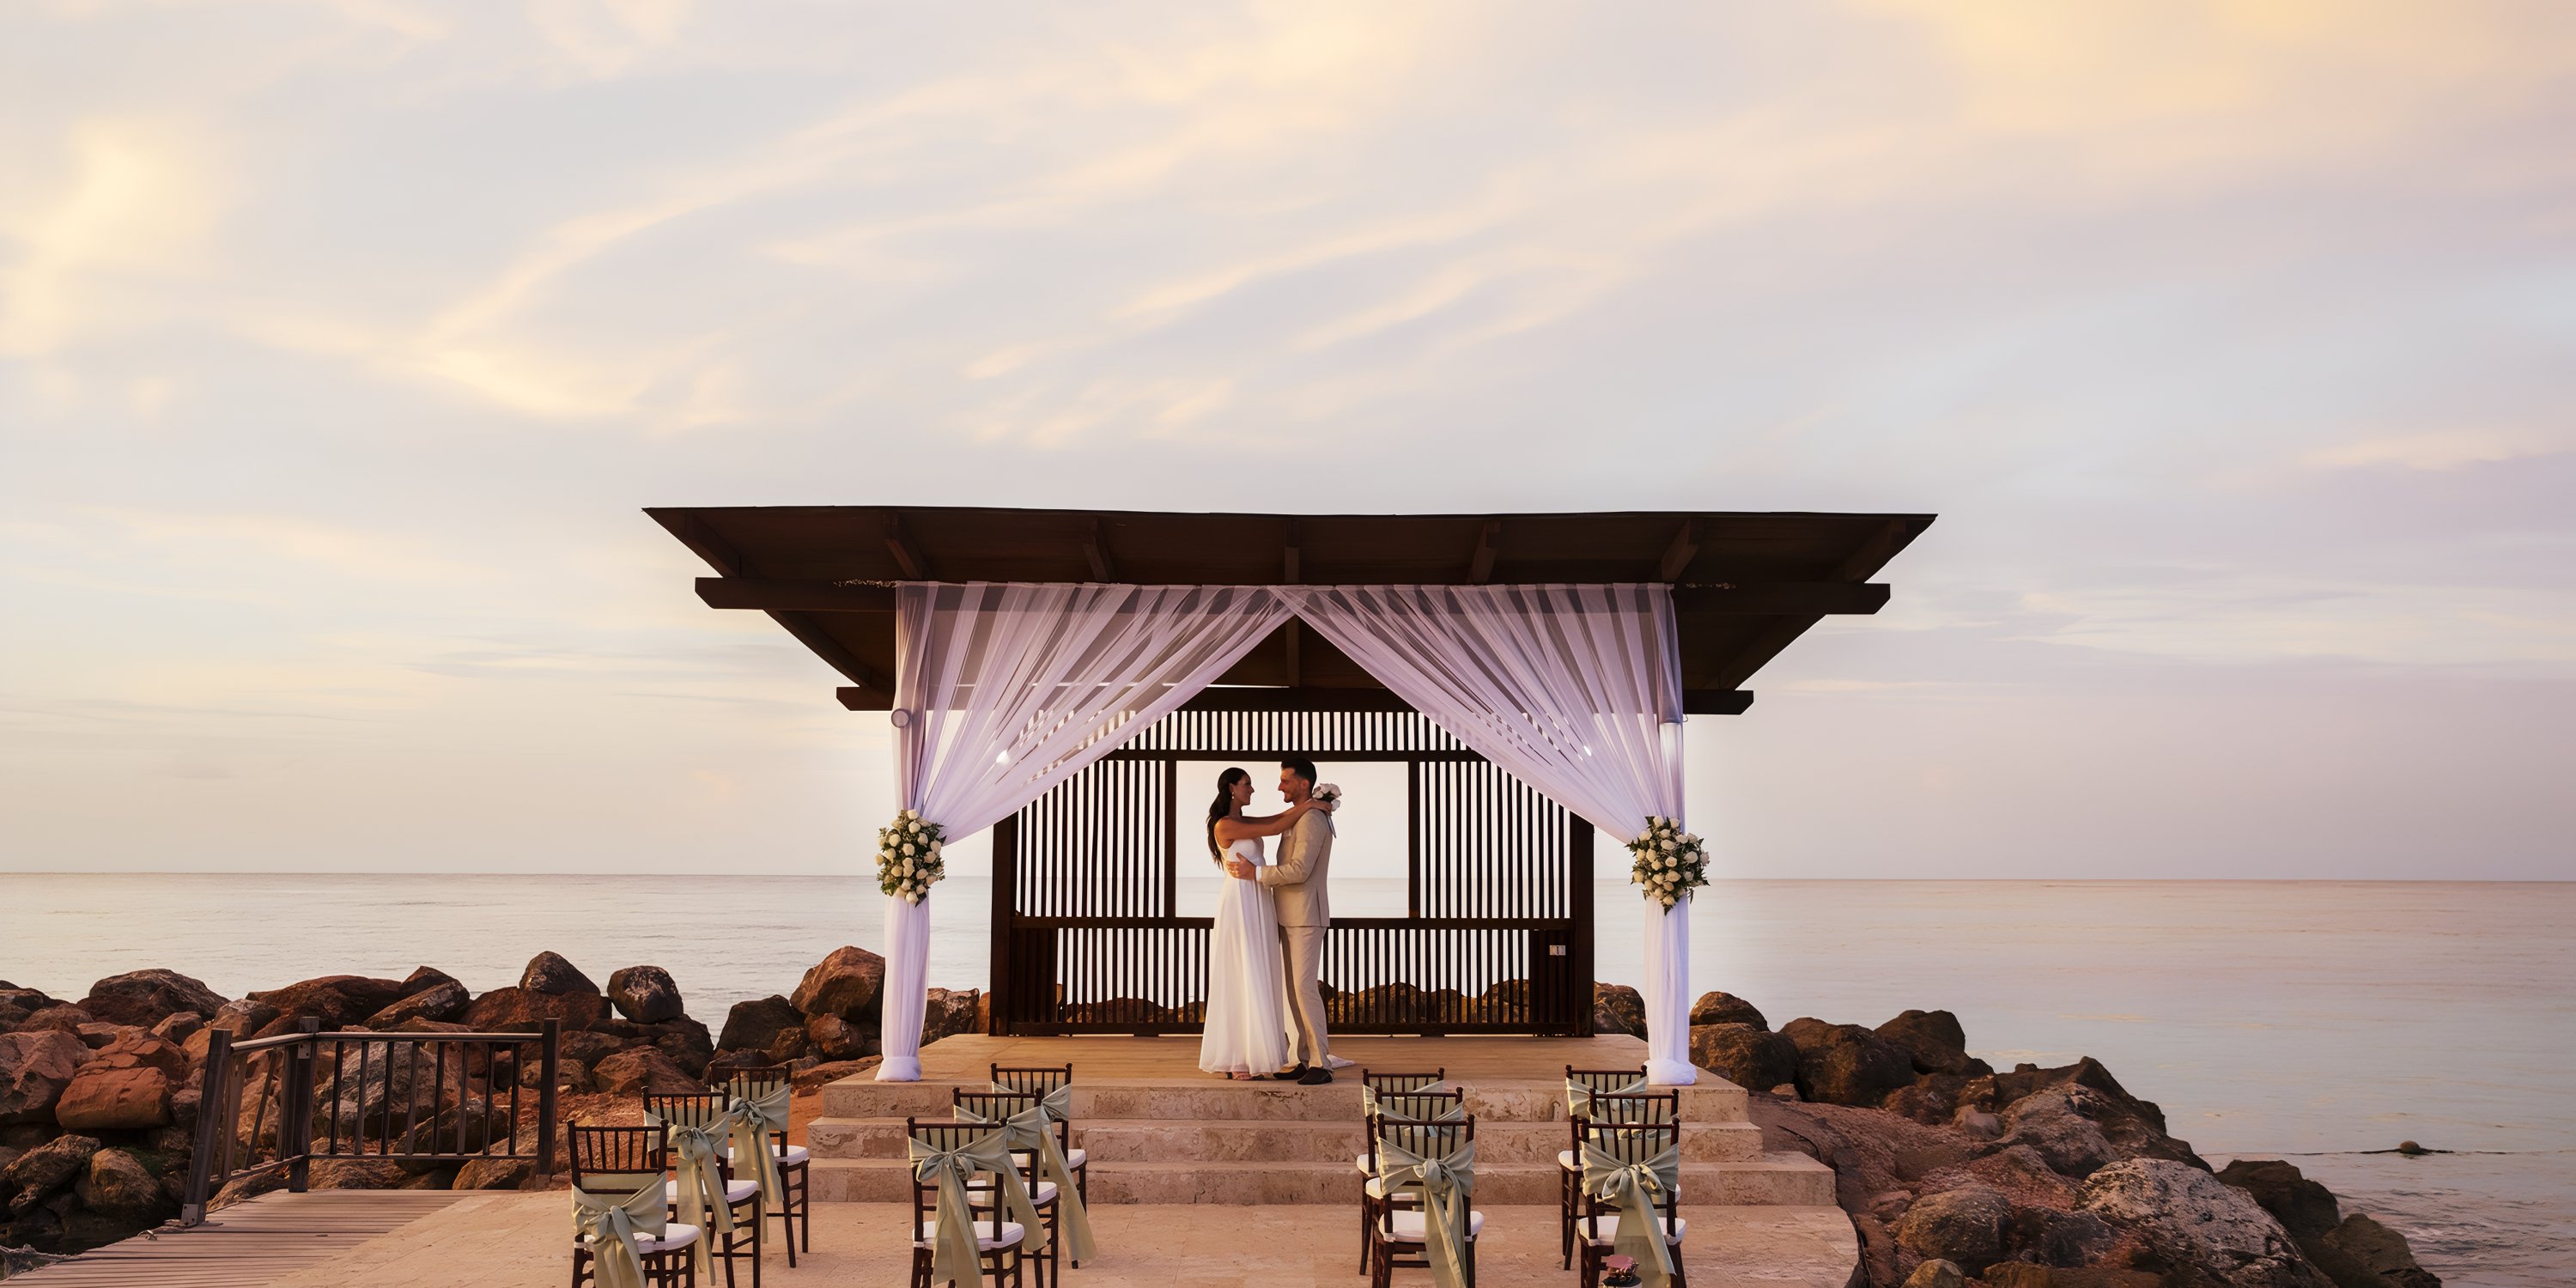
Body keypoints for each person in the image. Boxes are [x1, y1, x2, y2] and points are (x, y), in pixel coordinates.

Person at [1197, 767, 1323, 1079]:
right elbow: (1275, 826)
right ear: (1231, 789)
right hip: (1241, 901)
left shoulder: (1242, 821)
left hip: (1257, 899)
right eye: (1246, 784)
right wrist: (1311, 804)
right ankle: (1240, 1057)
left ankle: (1256, 1052)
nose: (1252, 789)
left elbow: (1278, 821)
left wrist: (1315, 804)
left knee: (1260, 971)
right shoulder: (1225, 825)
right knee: (1245, 971)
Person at [1224, 756, 1337, 1084]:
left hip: (1305, 915)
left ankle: (1321, 1064)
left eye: (1285, 780)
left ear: (1303, 784)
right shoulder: (1298, 817)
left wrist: (1255, 873)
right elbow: (1274, 824)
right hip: (1286, 914)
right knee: (1292, 990)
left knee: (1304, 988)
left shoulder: (1313, 819)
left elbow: (1300, 870)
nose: (1279, 786)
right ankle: (1303, 1059)